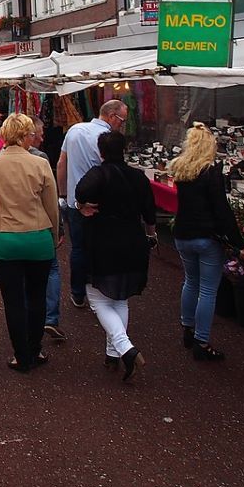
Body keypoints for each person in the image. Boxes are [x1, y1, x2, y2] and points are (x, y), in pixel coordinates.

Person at [0, 114, 61, 372]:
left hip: (4, 238)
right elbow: (51, 206)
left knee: (13, 300)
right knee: (37, 297)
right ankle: (35, 349)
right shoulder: (40, 163)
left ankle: (21, 355)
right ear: (24, 136)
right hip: (38, 237)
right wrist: (53, 236)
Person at [74, 131, 158, 381]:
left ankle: (125, 349)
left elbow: (80, 192)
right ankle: (112, 354)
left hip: (104, 241)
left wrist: (81, 206)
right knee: (120, 298)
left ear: (101, 151)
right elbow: (150, 213)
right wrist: (151, 235)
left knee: (98, 299)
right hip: (132, 240)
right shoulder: (138, 177)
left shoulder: (98, 175)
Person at [170, 122, 244, 361]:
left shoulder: (180, 169)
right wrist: (239, 243)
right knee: (208, 290)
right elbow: (221, 210)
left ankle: (187, 327)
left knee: (190, 281)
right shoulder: (210, 173)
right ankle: (201, 342)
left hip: (183, 234)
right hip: (206, 237)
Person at [56, 100, 129, 309]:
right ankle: (101, 290)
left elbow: (61, 164)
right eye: (122, 120)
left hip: (73, 201)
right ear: (112, 116)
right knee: (102, 245)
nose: (121, 125)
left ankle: (78, 293)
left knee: (78, 247)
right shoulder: (109, 139)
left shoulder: (75, 129)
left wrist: (63, 194)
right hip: (101, 202)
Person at [27, 121, 66, 343]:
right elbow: (51, 198)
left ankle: (27, 319)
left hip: (10, 230)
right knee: (51, 269)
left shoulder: (0, 158)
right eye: (39, 135)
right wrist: (58, 227)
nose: (42, 139)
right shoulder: (40, 158)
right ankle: (49, 318)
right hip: (40, 225)